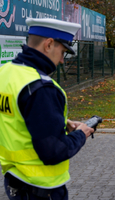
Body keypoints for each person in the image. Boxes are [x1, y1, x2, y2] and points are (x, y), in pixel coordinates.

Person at [0, 18, 95, 200]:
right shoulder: (42, 88)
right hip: (41, 189)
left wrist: (58, 121)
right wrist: (80, 134)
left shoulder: (5, 72)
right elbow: (54, 151)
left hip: (14, 180)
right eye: (62, 52)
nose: (61, 61)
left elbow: (13, 114)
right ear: (49, 44)